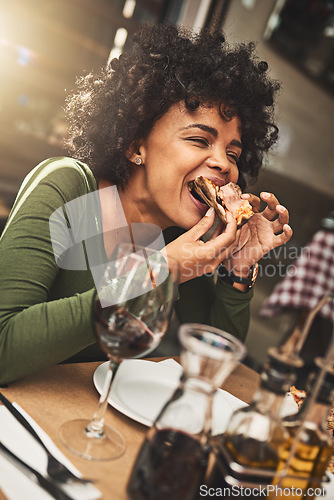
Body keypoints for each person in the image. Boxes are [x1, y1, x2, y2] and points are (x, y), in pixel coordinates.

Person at [0, 24, 292, 384]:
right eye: (200, 140)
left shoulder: (177, 238)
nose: (225, 164)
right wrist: (156, 272)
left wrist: (239, 268)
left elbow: (213, 364)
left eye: (233, 152)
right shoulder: (68, 187)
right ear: (136, 144)